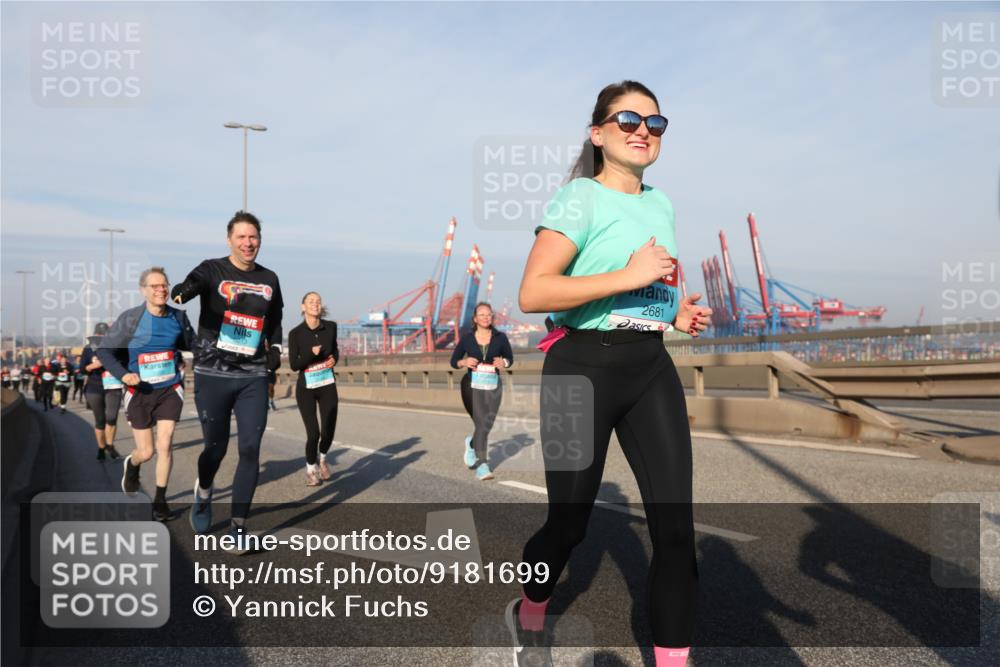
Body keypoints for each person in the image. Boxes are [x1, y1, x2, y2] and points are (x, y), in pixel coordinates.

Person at [512, 81, 712, 667]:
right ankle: (535, 592)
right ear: (598, 134)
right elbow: (534, 292)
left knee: (676, 531)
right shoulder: (580, 198)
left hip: (649, 366)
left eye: (655, 122)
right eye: (628, 119)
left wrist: (676, 309)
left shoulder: (662, 202)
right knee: (568, 523)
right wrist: (629, 275)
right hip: (580, 371)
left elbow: (652, 282)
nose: (642, 129)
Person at [171, 211, 283, 547]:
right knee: (215, 449)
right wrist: (182, 291)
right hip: (213, 372)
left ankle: (238, 527)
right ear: (229, 240)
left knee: (250, 448)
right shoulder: (212, 269)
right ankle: (204, 491)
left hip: (252, 374)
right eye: (241, 237)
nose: (248, 243)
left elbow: (275, 316)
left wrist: (275, 348)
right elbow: (189, 287)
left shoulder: (270, 278)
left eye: (253, 237)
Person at [98, 267, 195, 521]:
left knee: (166, 443)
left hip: (169, 388)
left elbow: (193, 345)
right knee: (147, 451)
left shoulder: (178, 317)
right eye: (155, 286)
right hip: (138, 390)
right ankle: (133, 464)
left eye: (164, 285)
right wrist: (124, 374)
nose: (161, 289)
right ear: (143, 291)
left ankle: (160, 500)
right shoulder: (130, 319)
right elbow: (105, 352)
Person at [449, 302, 513, 481]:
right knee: (482, 423)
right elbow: (454, 361)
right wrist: (464, 362)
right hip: (471, 385)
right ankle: (482, 464)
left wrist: (504, 363)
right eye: (482, 314)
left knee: (487, 424)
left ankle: (471, 443)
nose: (486, 317)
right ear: (475, 318)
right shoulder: (468, 338)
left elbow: (509, 358)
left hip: (493, 385)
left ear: (492, 317)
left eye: (489, 314)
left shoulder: (501, 337)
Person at [288, 291, 339, 487]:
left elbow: (335, 350)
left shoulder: (331, 327)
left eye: (318, 301)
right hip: (306, 388)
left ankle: (323, 459)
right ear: (303, 307)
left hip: (327, 385)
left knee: (328, 430)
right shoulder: (295, 334)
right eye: (311, 301)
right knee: (313, 433)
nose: (315, 304)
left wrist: (335, 358)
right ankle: (310, 469)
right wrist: (311, 354)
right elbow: (294, 364)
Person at [81, 323, 123, 460]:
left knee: (112, 418)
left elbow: (124, 363)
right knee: (100, 420)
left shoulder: (116, 347)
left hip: (113, 386)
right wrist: (94, 365)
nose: (102, 337)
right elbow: (82, 369)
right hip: (94, 387)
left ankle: (110, 445)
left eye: (105, 335)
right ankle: (101, 447)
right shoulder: (88, 349)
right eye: (100, 335)